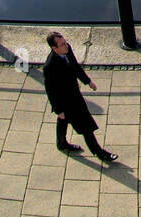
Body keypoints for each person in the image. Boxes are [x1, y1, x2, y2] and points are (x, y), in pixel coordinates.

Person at [43, 31, 118, 164]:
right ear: (54, 48)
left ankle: (61, 143)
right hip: (66, 101)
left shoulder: (67, 49)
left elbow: (75, 67)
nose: (66, 46)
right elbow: (51, 91)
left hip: (74, 94)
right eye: (62, 44)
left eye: (65, 42)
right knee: (86, 127)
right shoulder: (50, 67)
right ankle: (100, 153)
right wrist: (58, 110)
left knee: (64, 120)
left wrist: (88, 82)